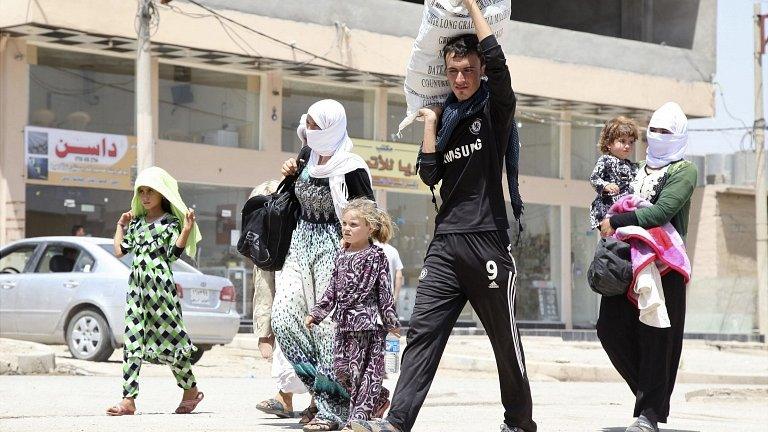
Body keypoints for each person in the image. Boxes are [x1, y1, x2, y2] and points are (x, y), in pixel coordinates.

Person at [352, 2, 535, 431]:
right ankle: (397, 421)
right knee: (422, 334)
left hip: (488, 241)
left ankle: (519, 421)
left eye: (468, 70)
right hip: (446, 244)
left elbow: (498, 63)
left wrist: (471, 6)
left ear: (480, 71)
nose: (460, 79)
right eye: (453, 71)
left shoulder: (495, 110)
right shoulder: (447, 116)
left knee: (506, 346)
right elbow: (428, 173)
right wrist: (431, 123)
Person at [273, 99, 375, 432]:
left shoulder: (351, 165)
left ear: (332, 127)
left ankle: (331, 409)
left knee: (328, 329)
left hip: (335, 247)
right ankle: (324, 391)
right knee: (284, 318)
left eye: (317, 126)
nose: (310, 130)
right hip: (300, 244)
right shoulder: (306, 156)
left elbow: (368, 213)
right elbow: (292, 196)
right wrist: (289, 172)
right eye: (310, 125)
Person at [597, 102, 698, 432]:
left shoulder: (684, 171)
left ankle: (649, 414)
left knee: (657, 338)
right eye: (653, 130)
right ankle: (650, 395)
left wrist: (617, 219)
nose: (657, 137)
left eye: (666, 132)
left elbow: (661, 213)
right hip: (629, 260)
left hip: (664, 264)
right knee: (609, 328)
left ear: (680, 136)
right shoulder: (636, 167)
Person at [106, 166, 203, 416]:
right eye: (142, 192)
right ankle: (128, 400)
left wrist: (185, 230)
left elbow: (172, 254)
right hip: (137, 291)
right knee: (133, 342)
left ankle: (190, 390)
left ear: (162, 194)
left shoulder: (170, 222)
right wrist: (121, 224)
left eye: (151, 191)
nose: (146, 196)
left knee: (172, 343)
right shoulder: (137, 223)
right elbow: (119, 250)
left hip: (161, 291)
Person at [305, 198, 400, 431]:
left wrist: (391, 323)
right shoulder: (341, 255)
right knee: (343, 372)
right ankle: (378, 398)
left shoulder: (376, 256)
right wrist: (317, 313)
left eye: (354, 224)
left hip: (368, 326)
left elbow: (384, 292)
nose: (347, 229)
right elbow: (332, 290)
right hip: (343, 325)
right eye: (344, 224)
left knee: (365, 374)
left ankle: (357, 419)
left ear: (370, 228)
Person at [249, 180, 315, 423]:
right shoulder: (262, 245)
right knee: (287, 349)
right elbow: (263, 290)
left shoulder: (302, 233)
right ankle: (284, 398)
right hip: (284, 311)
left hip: (311, 306)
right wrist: (264, 332)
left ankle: (316, 404)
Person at [589, 116, 640, 229]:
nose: (627, 146)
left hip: (624, 210)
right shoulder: (606, 160)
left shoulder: (633, 166)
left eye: (631, 142)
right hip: (608, 208)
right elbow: (594, 178)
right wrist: (606, 185)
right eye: (622, 141)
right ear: (608, 143)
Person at [374, 240, 403, 305]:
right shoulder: (393, 251)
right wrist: (395, 298)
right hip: (387, 298)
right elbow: (399, 276)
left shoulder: (368, 249)